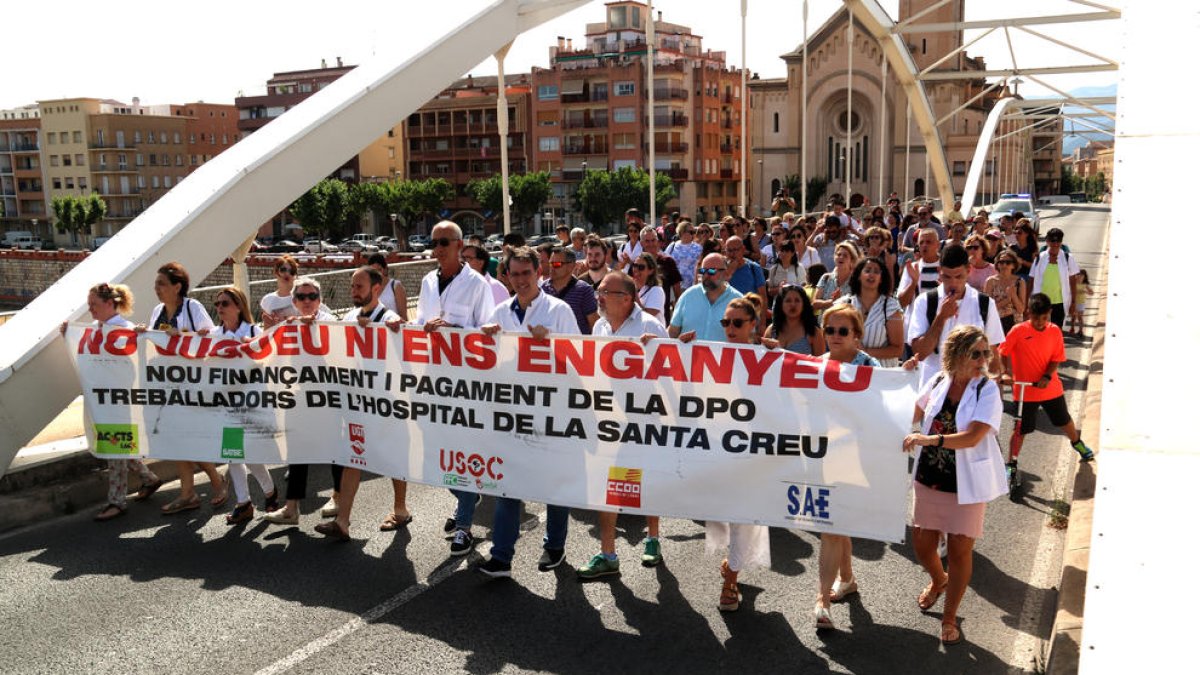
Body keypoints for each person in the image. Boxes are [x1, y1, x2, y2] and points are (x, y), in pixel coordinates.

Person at [476, 247, 579, 578]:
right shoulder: (500, 312)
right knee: (508, 484)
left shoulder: (559, 311)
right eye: (514, 274)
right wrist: (485, 341)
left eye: (526, 273)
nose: (520, 280)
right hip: (511, 412)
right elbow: (485, 363)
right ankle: (502, 556)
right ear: (506, 276)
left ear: (539, 272)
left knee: (552, 486)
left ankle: (555, 546)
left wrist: (550, 343)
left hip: (550, 412)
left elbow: (579, 361)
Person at [902, 325, 1008, 646]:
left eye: (985, 352)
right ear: (956, 355)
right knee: (922, 545)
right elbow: (909, 413)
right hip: (929, 479)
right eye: (975, 353)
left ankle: (949, 617)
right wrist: (897, 378)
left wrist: (930, 439)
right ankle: (939, 580)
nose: (982, 359)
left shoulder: (986, 390)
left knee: (960, 551)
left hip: (966, 485)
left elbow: (975, 435)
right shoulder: (936, 381)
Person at [576, 271, 670, 580]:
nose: (598, 297)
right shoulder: (601, 325)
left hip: (645, 419)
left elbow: (672, 375)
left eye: (605, 292)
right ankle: (608, 553)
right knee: (608, 484)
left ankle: (653, 538)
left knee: (647, 480)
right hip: (609, 419)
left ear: (626, 299)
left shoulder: (650, 326)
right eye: (597, 290)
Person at [413, 221, 497, 554]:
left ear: (460, 244)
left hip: (465, 385)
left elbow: (488, 332)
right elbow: (418, 325)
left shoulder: (477, 284)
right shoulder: (427, 281)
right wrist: (426, 327)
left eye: (444, 241)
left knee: (460, 453)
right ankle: (467, 494)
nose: (438, 248)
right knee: (434, 455)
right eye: (434, 242)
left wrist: (455, 328)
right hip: (432, 380)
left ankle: (464, 525)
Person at [313, 266, 404, 541]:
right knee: (352, 457)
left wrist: (384, 332)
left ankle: (400, 509)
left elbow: (401, 359)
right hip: (356, 401)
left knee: (392, 458)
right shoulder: (350, 316)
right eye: (352, 287)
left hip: (384, 402)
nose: (353, 292)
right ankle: (343, 522)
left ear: (376, 289)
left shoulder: (389, 318)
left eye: (359, 287)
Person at [68, 283, 163, 521]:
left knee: (115, 447)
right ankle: (149, 479)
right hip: (106, 400)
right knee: (120, 445)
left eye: (94, 305)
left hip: (120, 400)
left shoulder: (126, 329)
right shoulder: (94, 328)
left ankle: (117, 501)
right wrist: (67, 333)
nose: (90, 309)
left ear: (110, 304)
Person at [139, 262, 227, 515]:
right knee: (177, 439)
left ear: (177, 286)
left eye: (161, 284)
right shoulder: (158, 311)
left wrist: (192, 334)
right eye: (156, 284)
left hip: (192, 385)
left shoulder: (193, 307)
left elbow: (210, 336)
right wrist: (143, 333)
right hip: (168, 386)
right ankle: (189, 493)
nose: (156, 288)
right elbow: (155, 339)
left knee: (189, 437)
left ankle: (215, 481)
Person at [813, 305, 881, 629]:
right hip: (822, 455)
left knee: (832, 525)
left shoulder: (870, 366)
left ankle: (822, 599)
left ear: (856, 335)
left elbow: (882, 410)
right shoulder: (816, 366)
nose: (836, 337)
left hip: (856, 457)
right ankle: (848, 578)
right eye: (830, 330)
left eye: (843, 331)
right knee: (837, 524)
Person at [705, 295, 772, 611]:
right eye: (725, 323)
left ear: (753, 325)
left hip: (753, 449)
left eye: (737, 323)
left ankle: (730, 580)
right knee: (725, 516)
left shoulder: (768, 356)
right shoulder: (712, 355)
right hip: (719, 446)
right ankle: (734, 563)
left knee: (745, 515)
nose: (730, 328)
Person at [264, 277, 345, 525]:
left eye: (312, 297)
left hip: (328, 397)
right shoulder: (287, 326)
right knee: (297, 450)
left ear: (319, 301)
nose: (307, 301)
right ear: (294, 301)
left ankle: (338, 497)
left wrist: (314, 329)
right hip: (299, 396)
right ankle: (291, 508)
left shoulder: (330, 322)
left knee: (335, 450)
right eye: (302, 297)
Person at [998, 293, 1094, 490]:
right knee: (1020, 429)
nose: (1040, 323)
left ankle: (1077, 443)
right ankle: (1011, 464)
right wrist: (1005, 373)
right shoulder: (1017, 331)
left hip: (1049, 388)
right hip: (1025, 391)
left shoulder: (1055, 331)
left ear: (1050, 313)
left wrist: (1047, 377)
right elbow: (1003, 352)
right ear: (1029, 313)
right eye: (1035, 318)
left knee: (1064, 420)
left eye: (1044, 318)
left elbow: (1056, 358)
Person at [210, 286, 279, 524]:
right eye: (217, 304)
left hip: (250, 402)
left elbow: (268, 360)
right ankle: (244, 502)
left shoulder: (253, 331)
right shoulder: (213, 334)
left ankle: (269, 491)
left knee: (249, 454)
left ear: (238, 306)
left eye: (225, 303)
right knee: (233, 454)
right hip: (227, 404)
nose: (220, 308)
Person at [906, 244, 1005, 387]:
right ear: (939, 272)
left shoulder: (985, 303)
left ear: (969, 270)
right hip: (933, 389)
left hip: (972, 389)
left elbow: (993, 353)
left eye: (959, 276)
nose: (953, 283)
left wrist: (993, 388)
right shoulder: (925, 302)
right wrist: (941, 318)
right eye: (947, 277)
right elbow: (920, 353)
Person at [836, 257, 904, 366]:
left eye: (876, 272)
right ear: (859, 276)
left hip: (881, 375)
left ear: (881, 278)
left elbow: (898, 349)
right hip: (849, 374)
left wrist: (865, 352)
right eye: (867, 270)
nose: (871, 275)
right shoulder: (844, 304)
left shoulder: (891, 307)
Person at [670, 253, 743, 343]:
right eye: (703, 271)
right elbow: (672, 332)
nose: (706, 275)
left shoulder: (739, 301)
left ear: (726, 273)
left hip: (723, 357)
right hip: (688, 356)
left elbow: (749, 338)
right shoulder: (688, 296)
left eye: (712, 271)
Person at [1030, 228, 1082, 329]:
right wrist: (1028, 302)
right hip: (1041, 302)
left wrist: (1073, 302)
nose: (1055, 243)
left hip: (1060, 302)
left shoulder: (1068, 258)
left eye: (1058, 240)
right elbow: (1031, 279)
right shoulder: (1039, 258)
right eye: (1052, 240)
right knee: (1040, 330)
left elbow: (1073, 281)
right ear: (1047, 241)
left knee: (1056, 330)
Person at [542, 245, 598, 334]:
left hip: (575, 346)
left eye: (556, 264)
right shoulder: (542, 289)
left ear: (571, 266)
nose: (551, 268)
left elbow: (594, 326)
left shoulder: (584, 290)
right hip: (549, 346)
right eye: (550, 263)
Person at [762, 284, 824, 356]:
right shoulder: (771, 330)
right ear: (781, 304)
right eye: (788, 301)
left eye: (797, 300)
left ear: (804, 304)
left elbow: (821, 363)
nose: (793, 304)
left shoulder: (813, 332)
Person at [639, 226, 683, 316]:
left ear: (657, 241)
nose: (651, 244)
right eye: (647, 241)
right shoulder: (636, 264)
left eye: (653, 240)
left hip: (663, 316)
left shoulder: (668, 262)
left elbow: (677, 291)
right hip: (641, 316)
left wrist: (678, 313)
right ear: (641, 243)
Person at [898, 228, 942, 310]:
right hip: (915, 320)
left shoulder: (947, 268)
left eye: (928, 242)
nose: (924, 245)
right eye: (921, 242)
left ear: (938, 245)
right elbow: (901, 302)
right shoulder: (911, 268)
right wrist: (913, 283)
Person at [984, 250, 1026, 334]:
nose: (1004, 265)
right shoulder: (990, 281)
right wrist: (1006, 301)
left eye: (1008, 262)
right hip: (996, 325)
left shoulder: (1020, 281)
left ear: (1013, 265)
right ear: (997, 264)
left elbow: (1021, 309)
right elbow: (986, 309)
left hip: (1015, 326)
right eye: (1001, 262)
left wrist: (1013, 295)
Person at [813, 242, 860, 311]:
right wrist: (831, 302)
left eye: (845, 255)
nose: (841, 257)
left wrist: (840, 301)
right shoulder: (826, 278)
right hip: (824, 321)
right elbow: (814, 304)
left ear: (852, 260)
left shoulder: (857, 281)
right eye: (839, 254)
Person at [260, 254, 300, 328]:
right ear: (276, 272)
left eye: (292, 271)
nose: (287, 273)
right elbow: (266, 329)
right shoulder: (267, 299)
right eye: (283, 270)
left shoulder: (303, 297)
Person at [367, 252, 408, 321]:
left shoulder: (396, 286)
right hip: (374, 330)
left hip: (392, 330)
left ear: (385, 269)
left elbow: (404, 318)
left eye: (379, 270)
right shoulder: (368, 289)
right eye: (373, 271)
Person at [630, 252, 666, 324]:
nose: (636, 269)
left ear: (650, 271)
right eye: (635, 265)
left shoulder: (657, 291)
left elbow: (648, 316)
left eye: (641, 267)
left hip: (654, 333)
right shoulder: (632, 286)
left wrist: (634, 294)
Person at [665, 221, 703, 289]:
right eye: (691, 232)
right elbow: (665, 261)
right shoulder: (672, 246)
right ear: (682, 232)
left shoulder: (698, 248)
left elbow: (701, 266)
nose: (694, 234)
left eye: (694, 232)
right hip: (675, 286)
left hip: (692, 286)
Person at [1067, 269, 1093, 337]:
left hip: (1081, 303)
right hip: (1074, 302)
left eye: (1081, 275)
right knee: (1073, 317)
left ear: (1084, 277)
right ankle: (1072, 329)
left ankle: (1081, 331)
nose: (1079, 276)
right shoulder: (1074, 283)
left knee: (1080, 317)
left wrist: (1085, 291)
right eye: (1078, 274)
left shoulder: (1085, 285)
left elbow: (1091, 293)